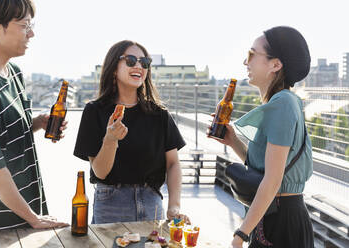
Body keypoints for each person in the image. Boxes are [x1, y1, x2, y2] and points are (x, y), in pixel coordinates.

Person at [209, 26, 314, 247]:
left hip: (280, 221)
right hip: (278, 215)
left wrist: (241, 234)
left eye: (251, 55)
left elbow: (273, 180)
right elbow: (269, 168)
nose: (245, 62)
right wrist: (234, 142)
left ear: (275, 65)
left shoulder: (282, 104)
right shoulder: (284, 101)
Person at [74, 40, 190, 224]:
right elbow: (101, 172)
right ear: (113, 67)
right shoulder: (94, 111)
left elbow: (173, 164)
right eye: (130, 60)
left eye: (144, 62)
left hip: (152, 202)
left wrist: (174, 206)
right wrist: (110, 140)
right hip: (110, 203)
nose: (138, 66)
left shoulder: (159, 114)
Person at [0, 0, 68, 230]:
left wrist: (37, 123)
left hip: (27, 213)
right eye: (24, 25)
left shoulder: (14, 73)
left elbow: (2, 133)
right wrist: (33, 219)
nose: (32, 33)